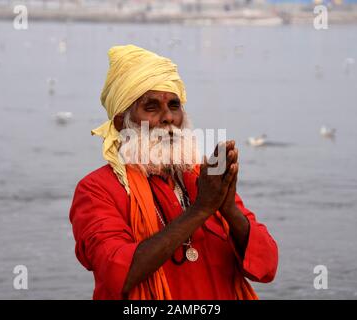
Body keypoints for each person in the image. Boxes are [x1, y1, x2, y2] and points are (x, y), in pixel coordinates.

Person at [69, 44, 278, 300]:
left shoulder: (203, 178)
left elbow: (267, 267)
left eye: (174, 106)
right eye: (152, 107)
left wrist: (228, 209)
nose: (168, 117)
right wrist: (201, 210)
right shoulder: (98, 189)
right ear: (123, 122)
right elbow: (116, 272)